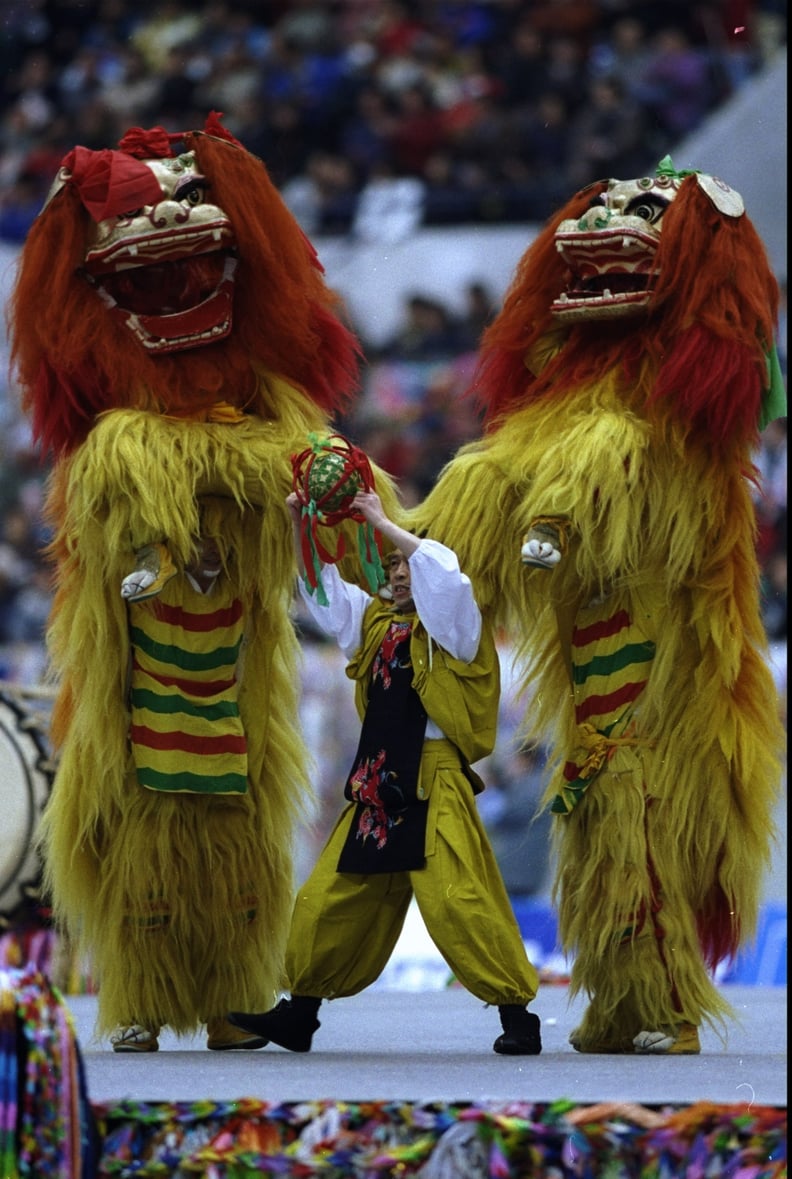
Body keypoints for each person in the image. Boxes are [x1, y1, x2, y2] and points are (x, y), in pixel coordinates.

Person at [227, 489, 542, 1055]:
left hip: (434, 780)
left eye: (405, 563)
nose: (399, 574)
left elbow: (445, 578)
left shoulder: (458, 626)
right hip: (378, 785)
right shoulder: (375, 625)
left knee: (459, 899)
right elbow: (321, 591)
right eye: (392, 565)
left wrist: (379, 520)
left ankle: (518, 1016)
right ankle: (300, 1014)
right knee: (328, 897)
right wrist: (303, 523)